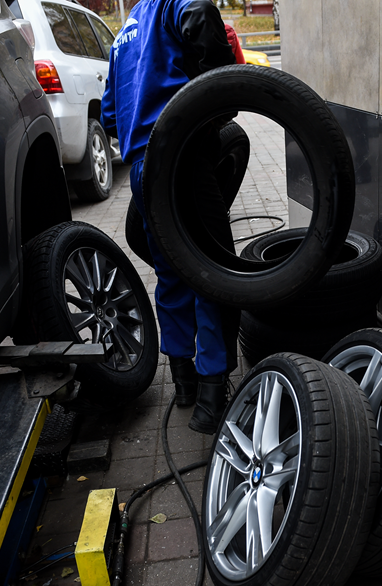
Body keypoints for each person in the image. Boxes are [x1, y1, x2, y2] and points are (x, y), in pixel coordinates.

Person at [101, 0, 240, 434]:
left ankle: (183, 384)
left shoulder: (126, 31)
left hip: (143, 170)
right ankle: (212, 397)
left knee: (173, 271)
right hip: (182, 154)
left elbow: (108, 113)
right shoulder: (174, 2)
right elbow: (199, 14)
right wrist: (218, 90)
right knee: (212, 269)